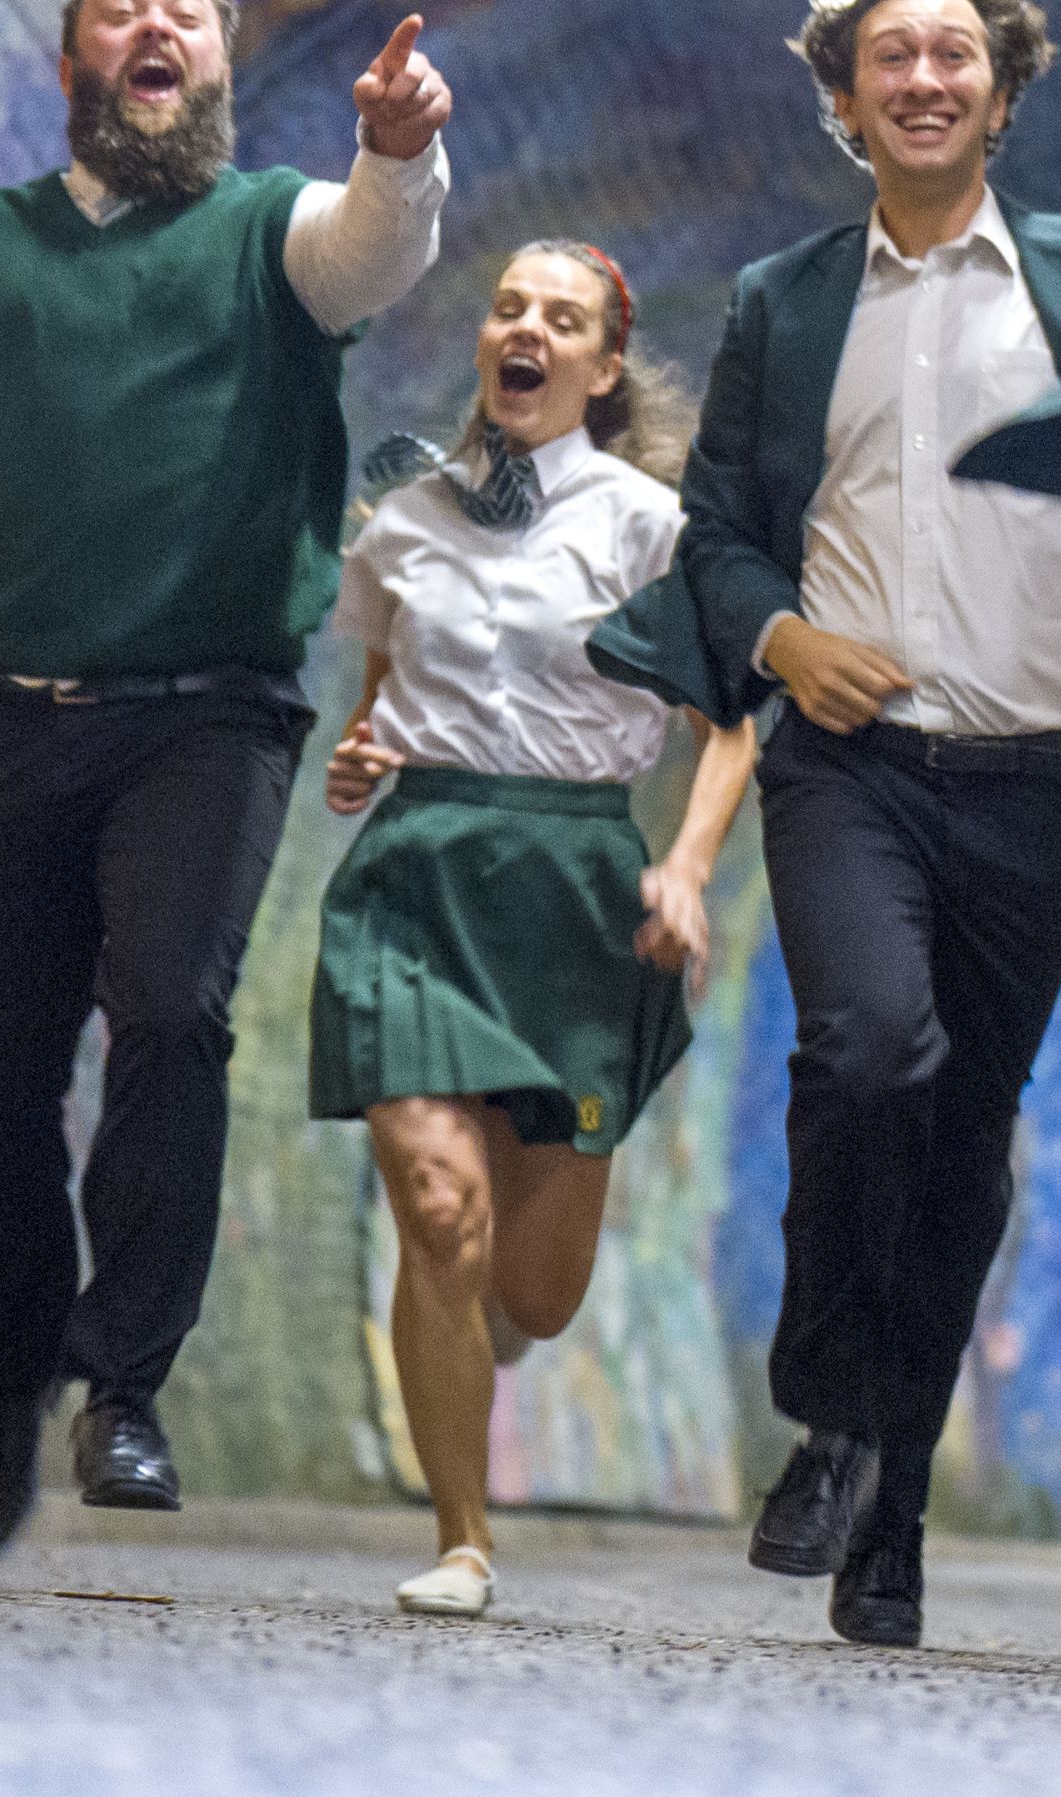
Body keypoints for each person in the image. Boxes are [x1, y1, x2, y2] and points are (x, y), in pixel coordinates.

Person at [0, 0, 453, 1569]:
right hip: (8, 711)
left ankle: (125, 1382)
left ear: (218, 63)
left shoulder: (278, 226)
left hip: (208, 708)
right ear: (73, 63)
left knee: (171, 1003)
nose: (157, 29)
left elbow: (373, 255)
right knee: (0, 1076)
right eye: (122, 13)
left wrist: (398, 148)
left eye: (186, 16)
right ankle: (5, 1391)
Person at [599, 0, 1061, 1651]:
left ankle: (895, 1497)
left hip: (1038, 780)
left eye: (956, 53)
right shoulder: (787, 302)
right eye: (892, 57)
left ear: (1003, 91)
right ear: (847, 100)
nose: (925, 77)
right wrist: (784, 641)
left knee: (961, 1140)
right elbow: (719, 532)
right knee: (870, 1053)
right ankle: (828, 1417)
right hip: (849, 766)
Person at [314, 240, 744, 1621]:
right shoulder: (405, 518)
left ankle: (484, 1320)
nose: (530, 330)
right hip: (421, 873)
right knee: (439, 1203)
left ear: (603, 368)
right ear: (486, 340)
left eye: (564, 320)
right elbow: (379, 691)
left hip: (576, 889)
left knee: (539, 1293)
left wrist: (687, 868)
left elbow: (731, 722)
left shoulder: (646, 525)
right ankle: (461, 1538)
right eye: (511, 308)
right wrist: (366, 753)